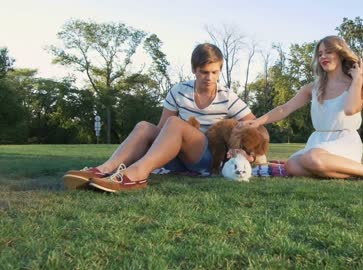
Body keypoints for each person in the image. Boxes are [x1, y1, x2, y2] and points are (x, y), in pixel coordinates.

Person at [63, 43, 256, 192]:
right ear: (194, 70)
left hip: (208, 156)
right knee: (144, 127)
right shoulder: (179, 91)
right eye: (204, 72)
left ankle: (137, 175)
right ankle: (106, 169)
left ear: (220, 71)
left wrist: (249, 154)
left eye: (215, 72)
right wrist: (145, 142)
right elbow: (162, 128)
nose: (210, 77)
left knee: (175, 123)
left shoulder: (227, 96)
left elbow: (254, 125)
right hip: (180, 155)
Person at [239, 36, 363, 183]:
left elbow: (350, 110)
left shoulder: (354, 83)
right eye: (320, 53)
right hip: (318, 140)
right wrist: (257, 121)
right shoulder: (312, 88)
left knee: (312, 158)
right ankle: (353, 173)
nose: (323, 56)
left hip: (344, 141)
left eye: (328, 52)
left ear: (340, 54)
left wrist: (357, 81)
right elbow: (285, 109)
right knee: (291, 165)